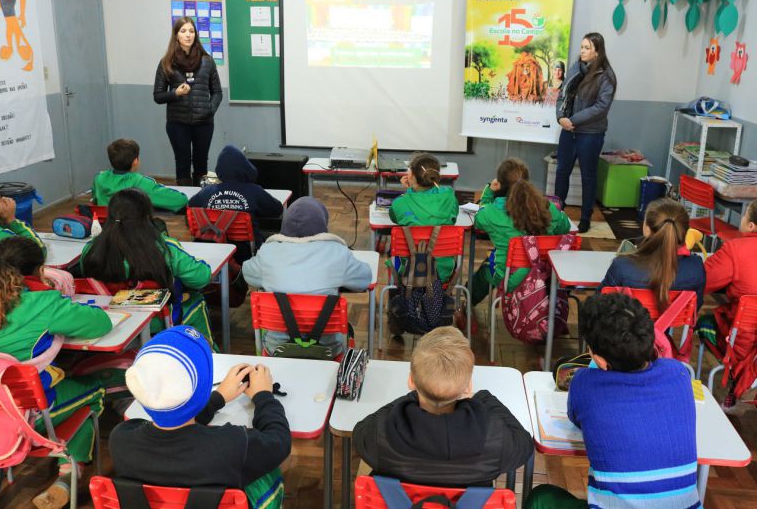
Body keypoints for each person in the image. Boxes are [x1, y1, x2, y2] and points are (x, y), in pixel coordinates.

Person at [0, 237, 112, 509]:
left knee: (55, 381)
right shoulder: (43, 303)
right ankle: (68, 473)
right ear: (39, 270)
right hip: (24, 416)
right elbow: (100, 323)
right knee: (92, 390)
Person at [525, 294, 700, 508]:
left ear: (599, 359)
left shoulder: (586, 384)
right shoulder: (679, 374)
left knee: (540, 498)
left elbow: (575, 416)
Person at [111, 327, 291, 509]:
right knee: (270, 474)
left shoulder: (120, 439)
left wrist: (217, 398)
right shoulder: (233, 445)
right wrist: (263, 396)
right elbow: (280, 441)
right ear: (203, 389)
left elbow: (175, 421)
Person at [353, 327, 532, 487]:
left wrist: (412, 395)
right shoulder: (497, 439)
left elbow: (359, 431)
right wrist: (484, 397)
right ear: (468, 387)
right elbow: (524, 444)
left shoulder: (381, 434)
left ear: (411, 381)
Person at [80, 189, 214, 344]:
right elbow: (202, 278)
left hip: (109, 318)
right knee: (196, 298)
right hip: (155, 321)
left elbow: (88, 277)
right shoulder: (165, 248)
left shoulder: (92, 248)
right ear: (147, 216)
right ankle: (209, 354)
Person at [243, 196, 372, 357]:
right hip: (329, 349)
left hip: (276, 348)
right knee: (348, 328)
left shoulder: (268, 252)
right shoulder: (337, 253)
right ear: (322, 223)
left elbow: (248, 273)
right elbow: (364, 280)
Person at [471, 158, 571, 306]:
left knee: (487, 268)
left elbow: (478, 219)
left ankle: (468, 305)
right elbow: (565, 228)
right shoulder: (546, 207)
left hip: (509, 279)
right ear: (527, 183)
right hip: (544, 277)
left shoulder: (491, 212)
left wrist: (489, 192)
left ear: (500, 185)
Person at [697, 199, 757, 409]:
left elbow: (704, 280)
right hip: (752, 345)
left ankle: (698, 386)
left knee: (703, 321)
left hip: (739, 342)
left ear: (751, 225)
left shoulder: (735, 249)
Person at [555, 32, 617, 233]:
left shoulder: (606, 75)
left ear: (597, 52)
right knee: (562, 172)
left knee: (588, 177)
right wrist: (561, 118)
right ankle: (557, 212)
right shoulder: (575, 69)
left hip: (590, 134)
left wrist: (572, 120)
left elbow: (601, 107)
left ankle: (585, 217)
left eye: (587, 48)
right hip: (568, 131)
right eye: (581, 47)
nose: (582, 51)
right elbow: (562, 95)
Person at [599, 198, 705, 311]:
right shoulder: (696, 267)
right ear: (685, 231)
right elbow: (694, 308)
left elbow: (599, 304)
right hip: (667, 326)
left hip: (627, 326)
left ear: (647, 229)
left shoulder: (621, 265)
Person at [153, 17, 223, 186]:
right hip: (178, 123)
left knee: (201, 164)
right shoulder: (166, 63)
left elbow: (217, 92)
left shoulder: (207, 61)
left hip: (204, 122)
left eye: (191, 31)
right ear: (176, 35)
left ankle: (199, 204)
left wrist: (210, 109)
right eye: (183, 31)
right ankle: (185, 205)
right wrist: (175, 93)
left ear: (196, 35)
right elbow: (158, 96)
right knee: (182, 163)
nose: (188, 35)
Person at [188, 144, 284, 262]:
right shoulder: (254, 190)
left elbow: (191, 206)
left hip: (214, 250)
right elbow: (277, 209)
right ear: (246, 167)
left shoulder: (207, 191)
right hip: (247, 252)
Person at [389, 152, 459, 282]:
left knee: (392, 252)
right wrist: (414, 190)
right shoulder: (450, 197)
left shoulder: (400, 203)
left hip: (410, 272)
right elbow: (454, 217)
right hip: (442, 272)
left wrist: (410, 191)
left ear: (411, 176)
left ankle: (400, 298)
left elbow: (394, 217)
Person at [92, 138, 188, 212]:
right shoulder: (141, 182)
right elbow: (181, 201)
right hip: (133, 230)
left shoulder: (99, 179)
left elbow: (95, 200)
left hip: (107, 227)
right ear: (135, 161)